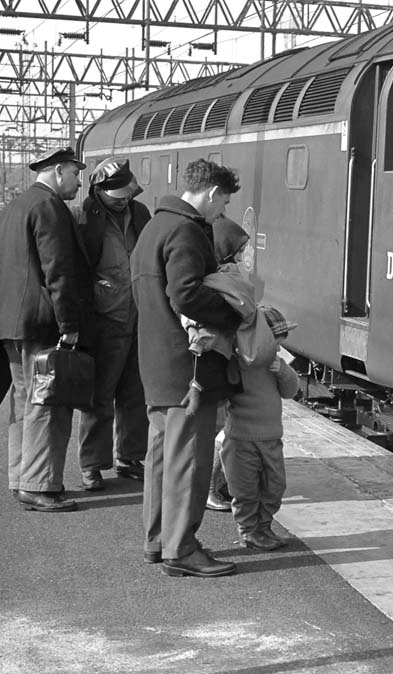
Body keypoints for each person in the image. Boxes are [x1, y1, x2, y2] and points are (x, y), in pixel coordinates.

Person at [130, 159, 242, 578]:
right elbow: (186, 293)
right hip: (188, 366)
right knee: (189, 462)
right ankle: (182, 548)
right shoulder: (187, 230)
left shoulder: (153, 227)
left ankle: (158, 540)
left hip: (158, 360)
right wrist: (233, 313)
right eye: (224, 202)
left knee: (161, 459)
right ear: (212, 193)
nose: (222, 211)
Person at [0, 147, 90, 512]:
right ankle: (38, 485)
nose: (79, 182)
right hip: (38, 323)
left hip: (10, 324)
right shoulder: (49, 209)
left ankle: (21, 476)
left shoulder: (16, 206)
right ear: (59, 170)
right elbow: (58, 274)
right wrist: (70, 326)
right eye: (75, 173)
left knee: (24, 401)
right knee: (47, 402)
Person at [72, 158, 152, 491]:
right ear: (98, 190)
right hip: (104, 317)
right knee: (99, 396)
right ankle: (92, 464)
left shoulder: (141, 213)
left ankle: (130, 457)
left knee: (136, 392)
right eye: (117, 195)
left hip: (139, 314)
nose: (123, 199)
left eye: (126, 193)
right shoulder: (83, 217)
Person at [220, 305, 299, 550]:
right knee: (245, 490)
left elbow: (291, 391)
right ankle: (249, 531)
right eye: (273, 343)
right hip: (241, 438)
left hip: (272, 437)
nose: (276, 349)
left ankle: (264, 526)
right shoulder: (238, 360)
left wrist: (283, 371)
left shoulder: (276, 362)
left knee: (275, 486)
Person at [206, 215, 251, 513]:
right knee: (221, 430)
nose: (243, 258)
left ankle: (216, 486)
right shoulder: (224, 281)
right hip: (219, 360)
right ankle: (212, 488)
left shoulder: (215, 278)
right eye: (238, 251)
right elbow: (246, 313)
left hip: (222, 360)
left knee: (221, 428)